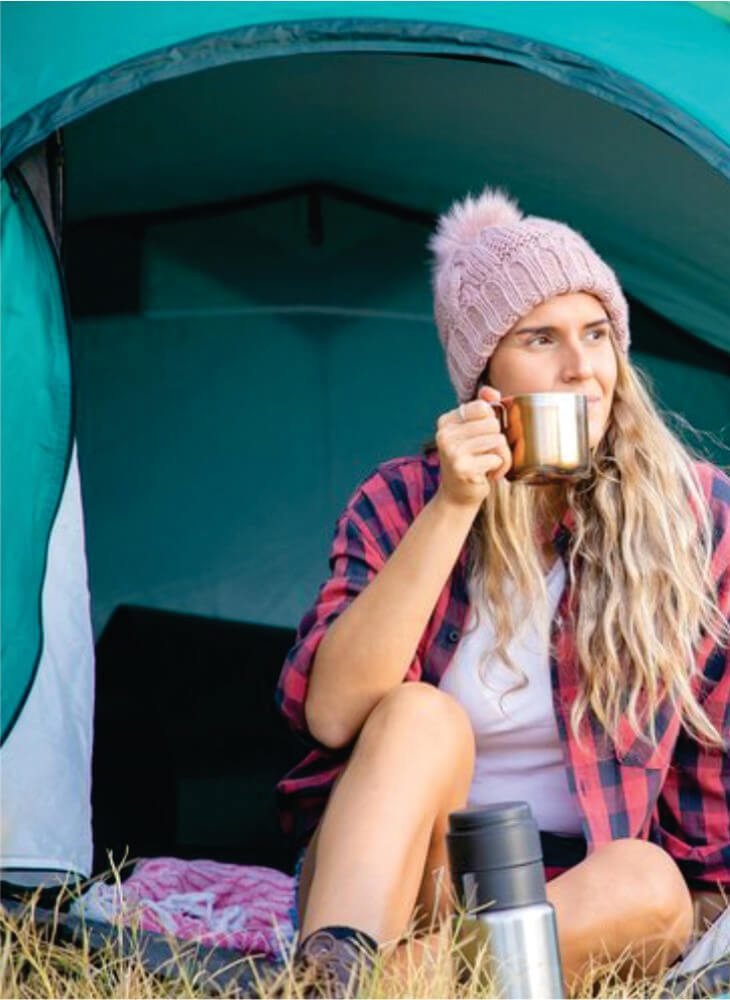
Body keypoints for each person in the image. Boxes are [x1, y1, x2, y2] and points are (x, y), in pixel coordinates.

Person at [274, 185, 730, 995]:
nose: (581, 368)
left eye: (596, 334)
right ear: (484, 371)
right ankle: (338, 973)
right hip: (398, 886)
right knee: (419, 715)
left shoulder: (697, 518)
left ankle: (385, 990)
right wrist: (455, 506)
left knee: (653, 882)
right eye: (540, 338)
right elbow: (334, 711)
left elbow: (709, 775)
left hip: (567, 901)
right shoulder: (404, 498)